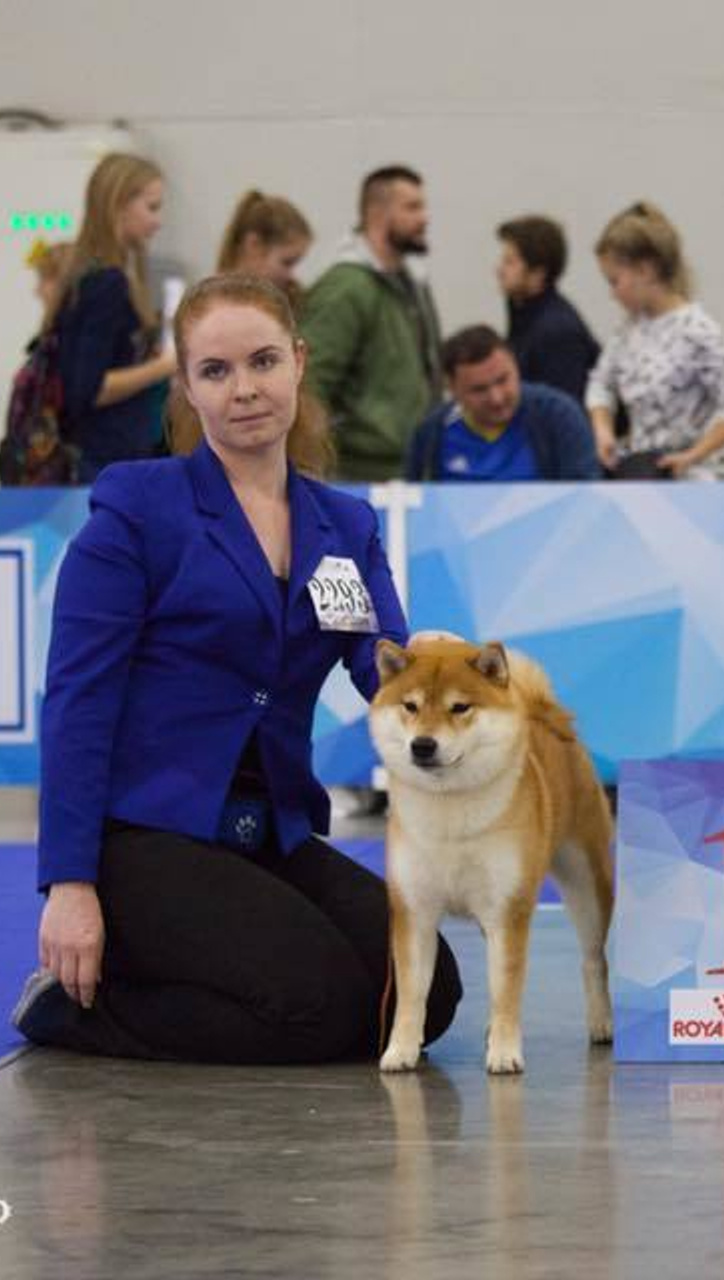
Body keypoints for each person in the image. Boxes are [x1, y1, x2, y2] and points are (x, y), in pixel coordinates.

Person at [10, 274, 462, 1064]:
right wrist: (69, 884)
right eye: (215, 372)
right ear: (187, 386)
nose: (244, 389)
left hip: (267, 831)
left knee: (426, 995)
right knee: (312, 1006)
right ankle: (77, 1012)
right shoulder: (138, 508)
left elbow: (383, 669)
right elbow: (79, 704)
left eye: (261, 362)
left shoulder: (344, 525)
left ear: (297, 360)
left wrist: (448, 674)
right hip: (142, 834)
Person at [587, 201, 724, 478]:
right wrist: (603, 432)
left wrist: (694, 455)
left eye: (615, 281)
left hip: (688, 480)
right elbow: (600, 383)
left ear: (646, 270)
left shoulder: (698, 330)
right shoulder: (628, 330)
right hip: (639, 472)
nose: (612, 293)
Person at [301, 165, 444, 481]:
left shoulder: (412, 282)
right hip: (359, 474)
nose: (425, 218)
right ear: (377, 213)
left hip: (412, 468)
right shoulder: (346, 288)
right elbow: (310, 382)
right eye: (412, 207)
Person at [49, 152, 177, 480]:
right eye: (152, 207)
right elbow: (91, 388)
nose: (158, 222)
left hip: (106, 453)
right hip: (104, 457)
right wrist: (162, 367)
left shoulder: (91, 274)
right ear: (119, 203)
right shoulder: (107, 283)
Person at [405, 325, 599, 482]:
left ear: (516, 366)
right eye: (479, 390)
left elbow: (583, 498)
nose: (496, 398)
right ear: (453, 389)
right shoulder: (431, 433)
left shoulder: (559, 417)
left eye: (503, 380)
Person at [497, 215, 600, 404]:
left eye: (509, 262)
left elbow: (563, 413)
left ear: (538, 274)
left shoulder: (557, 332)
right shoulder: (522, 316)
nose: (499, 269)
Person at [216, 190, 313, 308]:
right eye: (286, 263)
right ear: (254, 245)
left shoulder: (289, 299)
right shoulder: (213, 306)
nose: (290, 275)